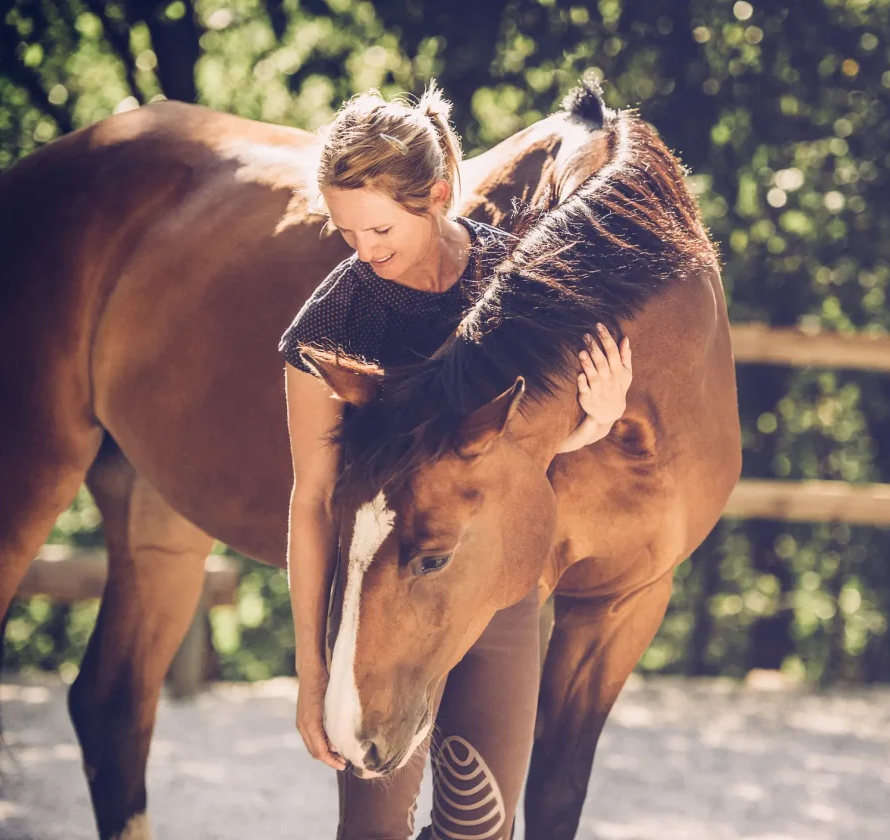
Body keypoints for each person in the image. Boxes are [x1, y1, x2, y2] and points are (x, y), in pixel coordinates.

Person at [280, 81, 632, 840]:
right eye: (347, 234)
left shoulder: (519, 289)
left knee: (482, 830)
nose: (364, 252)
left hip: (491, 592)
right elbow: (312, 501)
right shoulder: (331, 322)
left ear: (437, 195)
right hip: (382, 601)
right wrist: (312, 672)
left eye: (379, 230)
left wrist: (595, 421)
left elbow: (506, 458)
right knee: (372, 830)